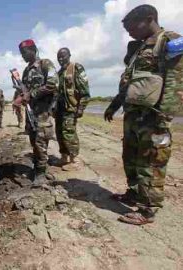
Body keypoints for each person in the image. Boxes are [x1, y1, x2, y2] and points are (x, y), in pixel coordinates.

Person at [104, 4, 183, 225]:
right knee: (131, 158)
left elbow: (177, 81)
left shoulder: (170, 41)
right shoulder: (138, 48)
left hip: (153, 117)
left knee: (151, 163)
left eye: (132, 27)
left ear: (149, 19)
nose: (129, 32)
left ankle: (148, 210)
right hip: (134, 116)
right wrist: (114, 105)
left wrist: (164, 117)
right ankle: (135, 193)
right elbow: (128, 83)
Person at [13, 38, 58, 186]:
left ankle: (41, 174)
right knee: (34, 142)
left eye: (24, 52)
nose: (23, 56)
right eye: (21, 53)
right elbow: (25, 90)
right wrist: (20, 96)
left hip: (43, 113)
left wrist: (30, 95)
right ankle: (38, 169)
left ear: (33, 50)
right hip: (31, 113)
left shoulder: (45, 64)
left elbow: (52, 84)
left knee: (40, 142)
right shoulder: (26, 70)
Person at [55, 48, 90, 171]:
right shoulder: (59, 73)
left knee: (69, 133)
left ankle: (74, 159)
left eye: (63, 56)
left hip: (70, 108)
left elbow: (85, 91)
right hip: (59, 110)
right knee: (59, 133)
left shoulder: (76, 68)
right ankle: (64, 157)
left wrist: (81, 108)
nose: (60, 59)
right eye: (58, 57)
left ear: (69, 55)